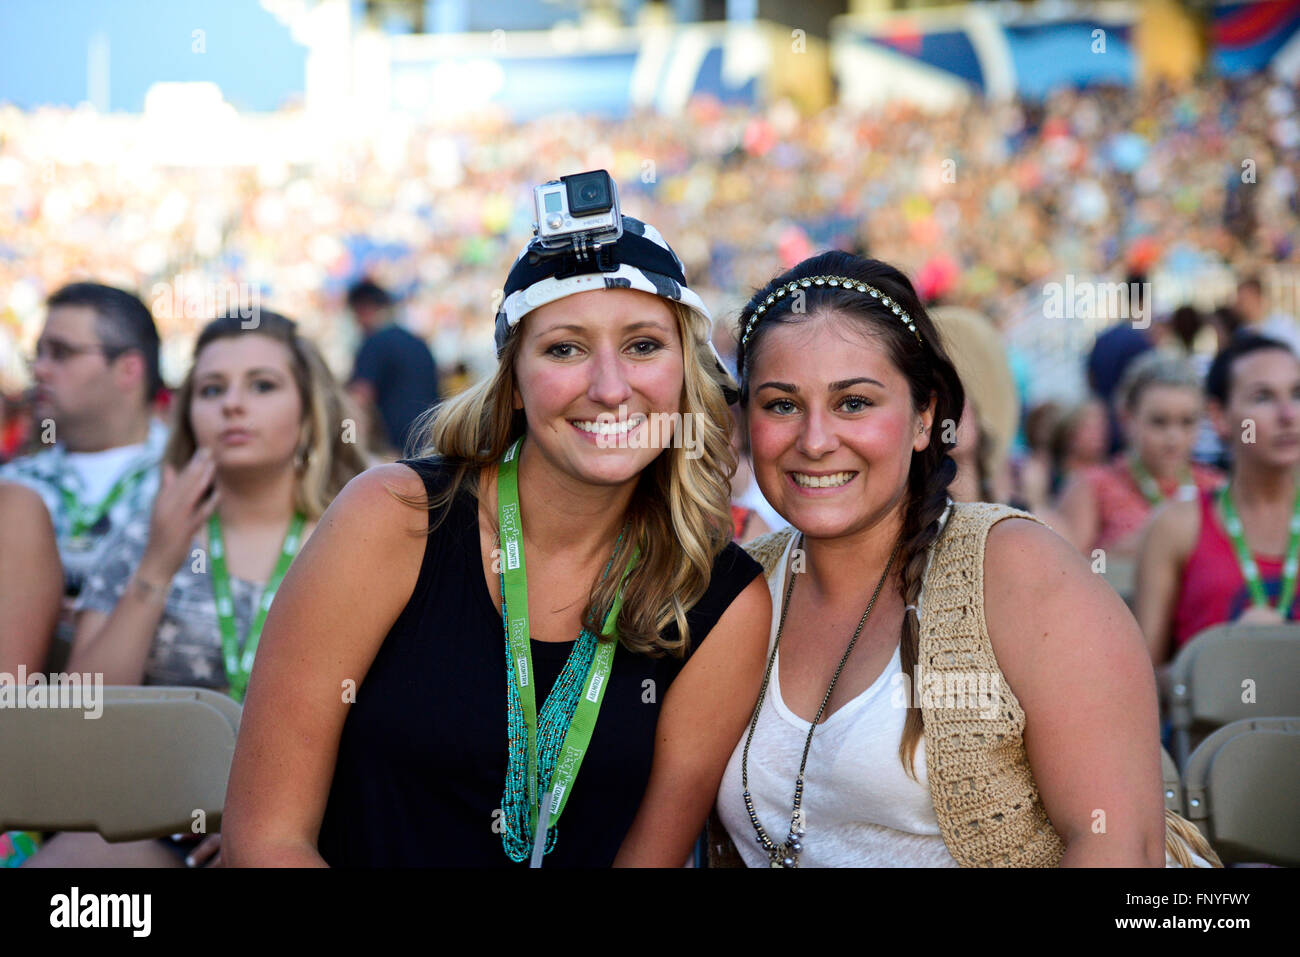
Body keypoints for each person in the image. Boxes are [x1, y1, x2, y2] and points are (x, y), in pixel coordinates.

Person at [222, 203, 770, 868]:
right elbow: (266, 839)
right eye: (564, 347)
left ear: (685, 373)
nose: (608, 387)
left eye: (644, 346)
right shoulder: (393, 517)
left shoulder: (721, 596)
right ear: (512, 382)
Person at [702, 251, 1210, 867]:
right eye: (781, 404)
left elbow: (1119, 845)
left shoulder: (1017, 567)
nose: (814, 440)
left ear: (924, 418)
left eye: (854, 403)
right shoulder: (736, 585)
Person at [24, 310, 366, 868]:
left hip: (320, 823)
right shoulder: (146, 530)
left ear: (310, 412)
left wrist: (264, 825)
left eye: (262, 385)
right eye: (211, 389)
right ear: (189, 418)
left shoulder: (359, 536)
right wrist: (158, 563)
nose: (232, 404)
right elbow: (81, 717)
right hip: (160, 828)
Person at [0, 282, 167, 670]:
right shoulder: (12, 486)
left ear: (129, 369)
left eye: (62, 353)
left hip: (147, 723)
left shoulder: (196, 482)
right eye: (38, 354)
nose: (39, 370)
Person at [1135, 334, 1300, 675]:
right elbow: (1142, 680)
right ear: (1220, 416)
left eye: (1297, 394)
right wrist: (1224, 654)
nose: (1288, 414)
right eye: (1263, 397)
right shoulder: (1177, 526)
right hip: (1212, 727)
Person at [1056, 352, 1222, 559]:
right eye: (1159, 422)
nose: (1174, 438)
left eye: (1187, 422)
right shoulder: (1091, 486)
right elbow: (1065, 572)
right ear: (1127, 418)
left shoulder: (1215, 489)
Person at [345, 278, 439, 455]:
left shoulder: (373, 343)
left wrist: (348, 444)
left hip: (394, 451)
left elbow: (359, 398)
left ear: (362, 309)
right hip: (429, 444)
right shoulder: (418, 342)